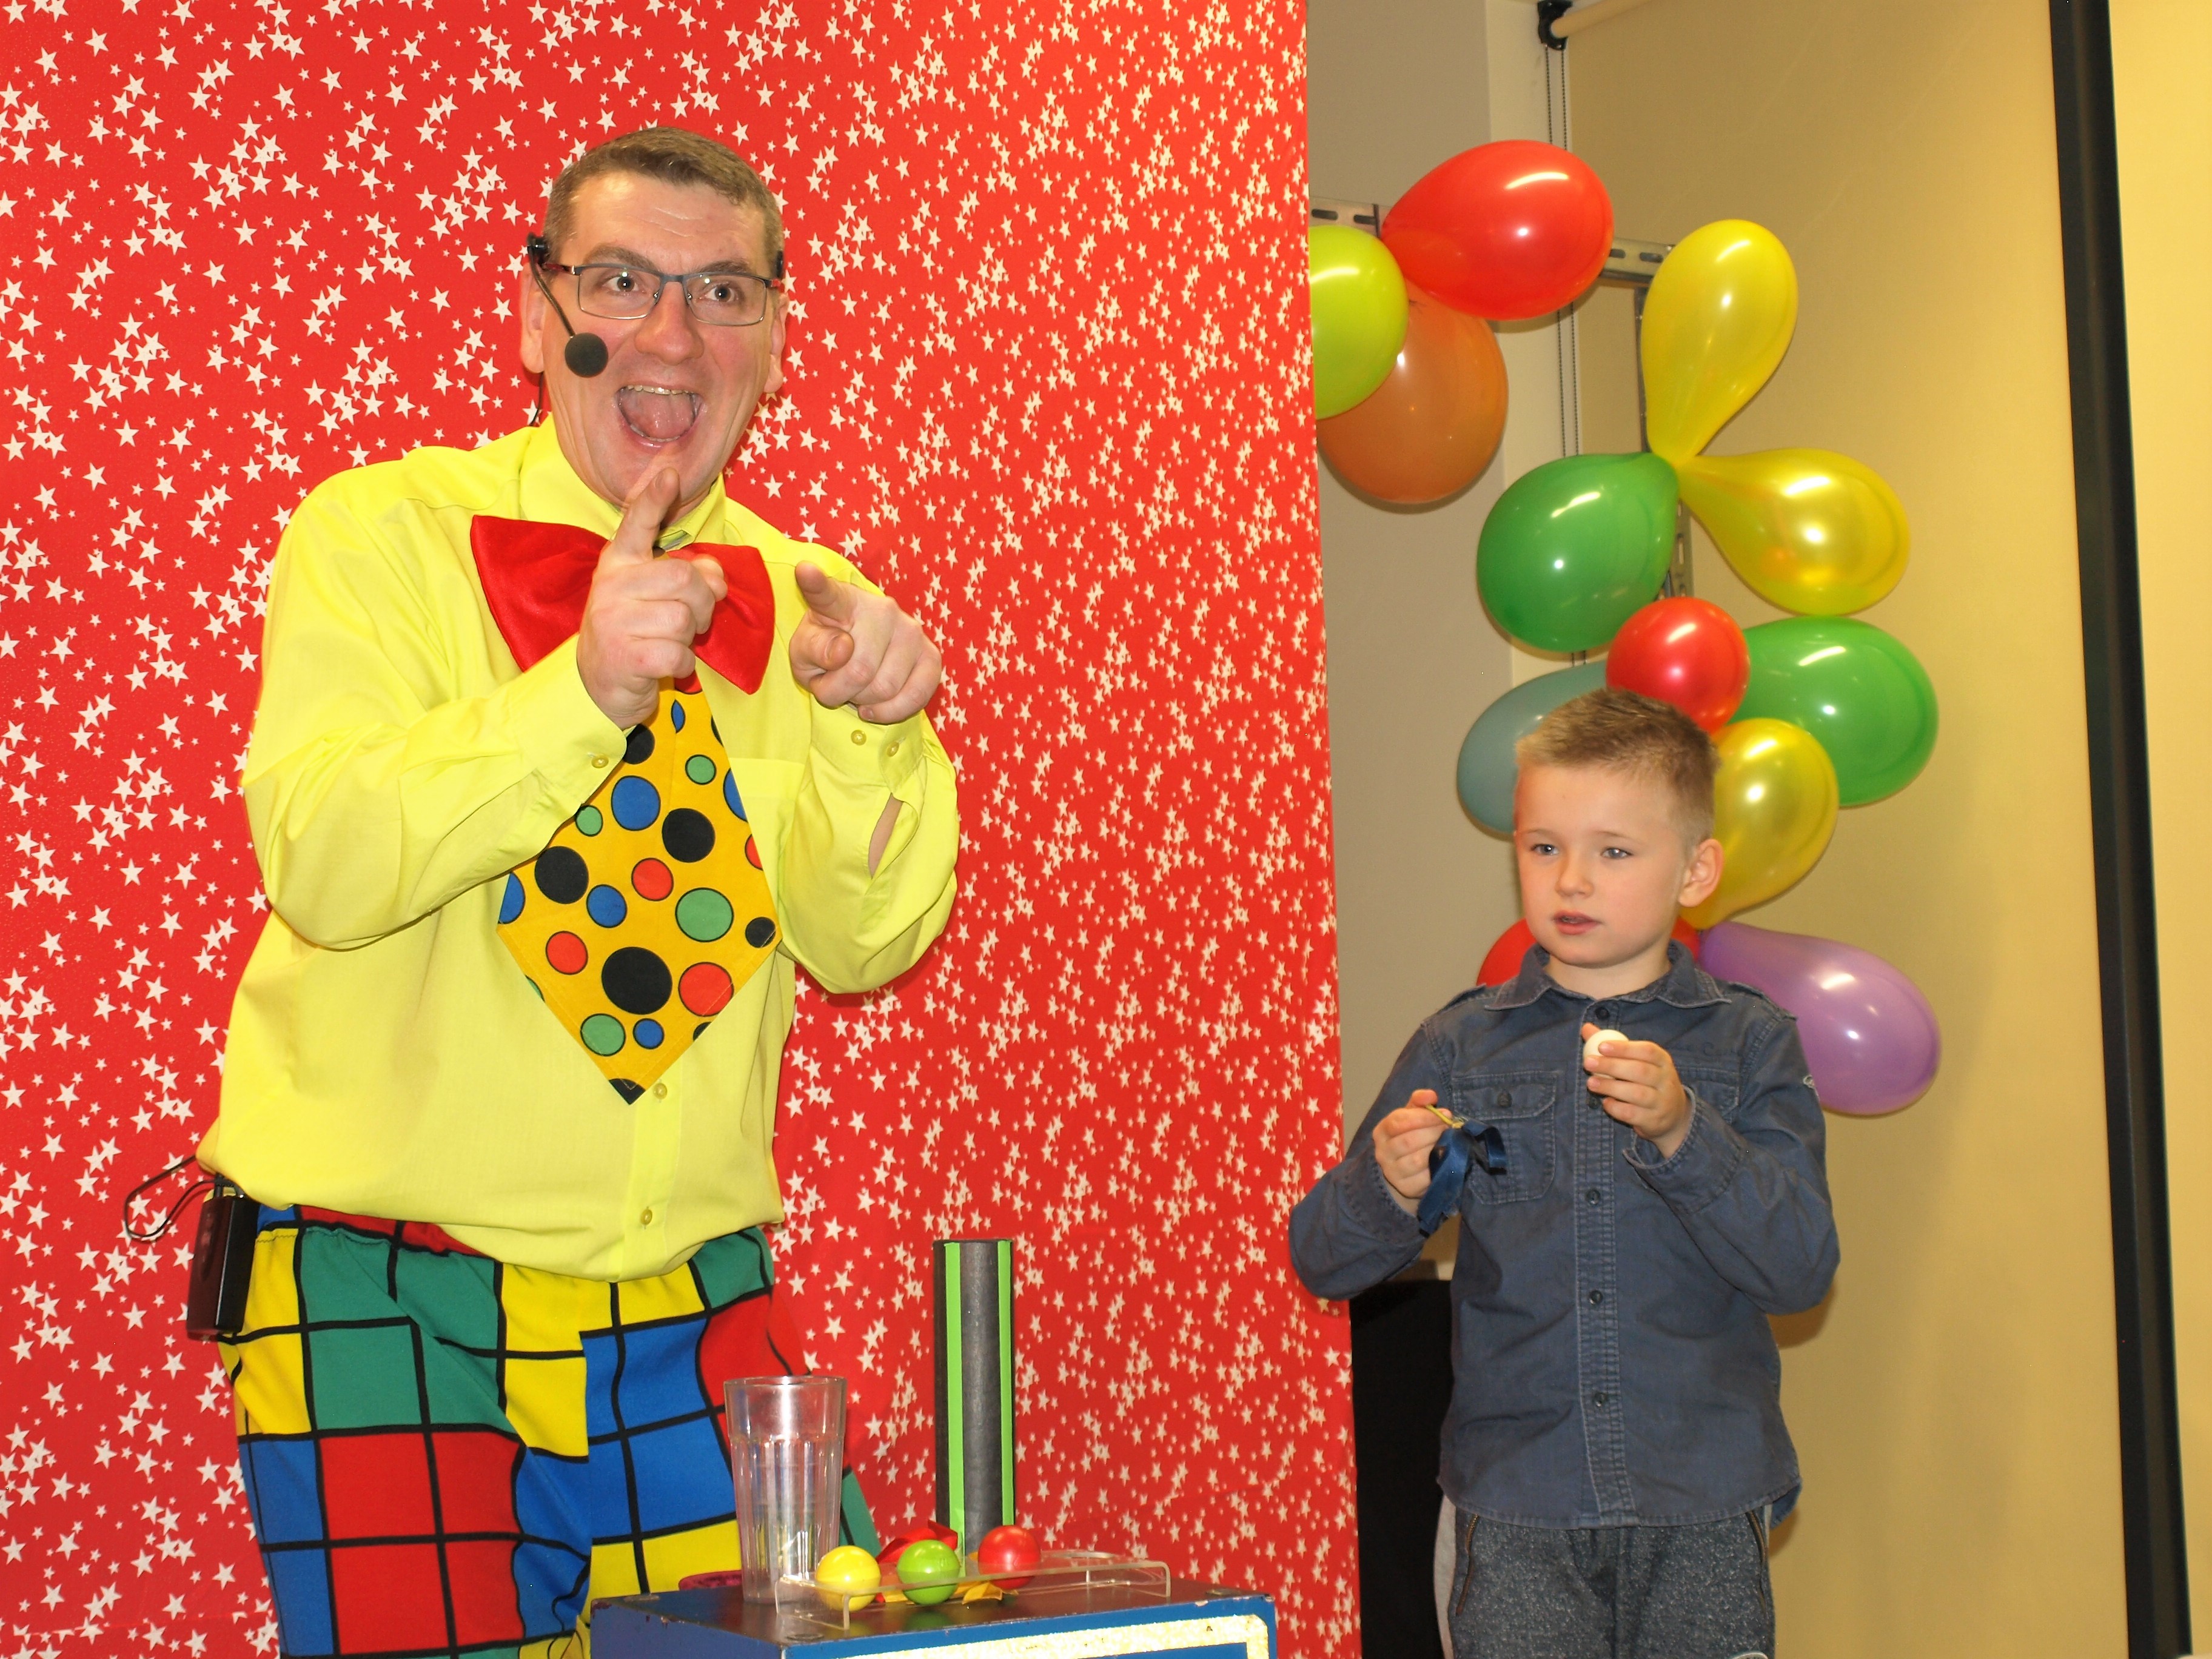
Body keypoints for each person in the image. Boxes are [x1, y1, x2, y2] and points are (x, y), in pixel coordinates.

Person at [197, 127, 960, 1658]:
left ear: (773, 341)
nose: (673, 334)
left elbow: (864, 944)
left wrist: (879, 733)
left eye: (724, 290)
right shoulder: (377, 537)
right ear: (539, 319)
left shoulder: (809, 605)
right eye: (622, 281)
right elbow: (323, 861)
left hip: (691, 1292)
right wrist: (579, 693)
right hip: (383, 1278)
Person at [1290, 687, 1838, 1659]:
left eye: (1614, 852)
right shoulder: (1462, 1049)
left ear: (1697, 871)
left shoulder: (1750, 1044)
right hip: (1518, 1503)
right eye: (1544, 847)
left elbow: (1800, 1270)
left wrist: (1686, 1132)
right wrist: (1393, 1185)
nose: (1572, 879)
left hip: (1703, 1498)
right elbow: (1325, 1258)